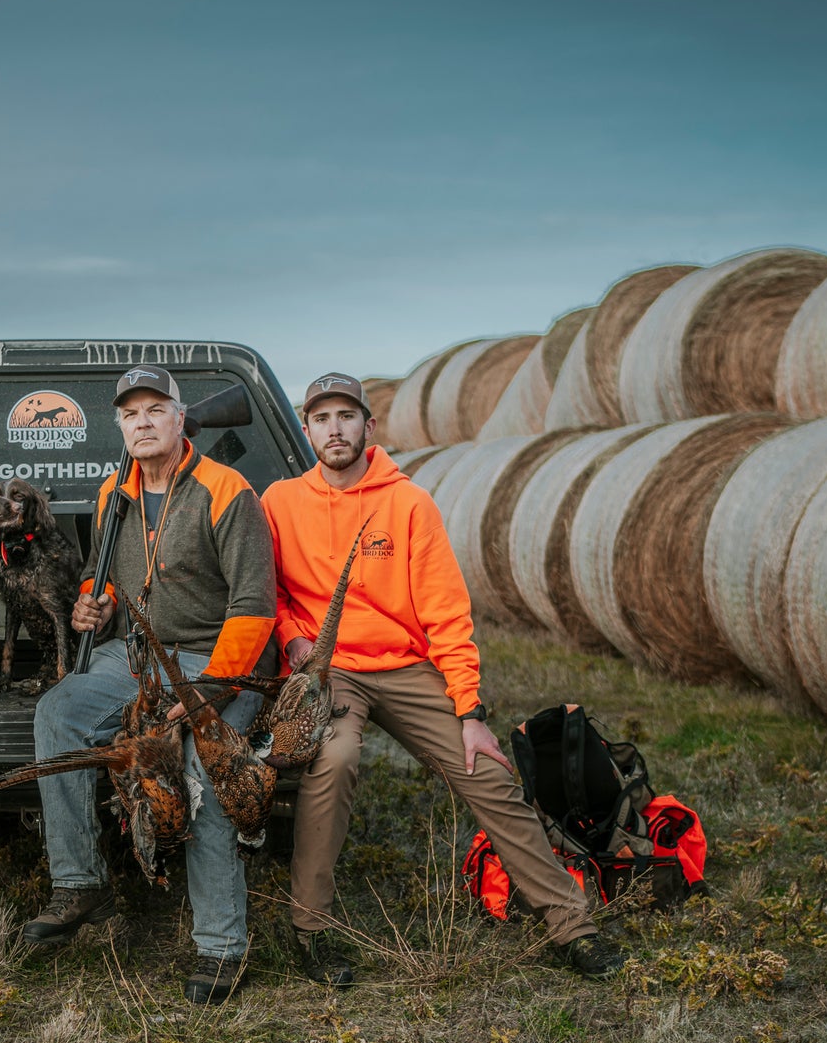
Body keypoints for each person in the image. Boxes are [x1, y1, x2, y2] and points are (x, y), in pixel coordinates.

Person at [260, 373, 625, 987]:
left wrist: (469, 711)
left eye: (346, 416)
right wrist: (294, 636)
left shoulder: (408, 503)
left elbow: (445, 611)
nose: (335, 429)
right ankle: (311, 929)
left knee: (484, 771)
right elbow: (266, 590)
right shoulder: (280, 502)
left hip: (403, 664)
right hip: (330, 669)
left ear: (368, 426)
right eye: (321, 418)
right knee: (337, 756)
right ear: (307, 429)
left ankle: (571, 925)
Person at [22, 365, 278, 1005]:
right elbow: (101, 576)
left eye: (155, 409)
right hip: (132, 658)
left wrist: (208, 696)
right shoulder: (116, 493)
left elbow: (254, 606)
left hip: (212, 663)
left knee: (202, 773)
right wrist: (92, 605)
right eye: (131, 413)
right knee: (59, 713)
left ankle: (221, 947)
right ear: (120, 425)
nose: (143, 421)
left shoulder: (227, 491)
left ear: (179, 416)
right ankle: (81, 881)